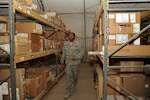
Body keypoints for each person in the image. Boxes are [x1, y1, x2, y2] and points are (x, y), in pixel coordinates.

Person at [61, 32, 84, 99]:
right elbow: (63, 53)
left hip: (76, 63)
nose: (70, 36)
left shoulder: (78, 44)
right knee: (68, 77)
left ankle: (75, 84)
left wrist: (76, 57)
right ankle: (68, 91)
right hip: (68, 64)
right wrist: (62, 62)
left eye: (71, 35)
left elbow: (82, 52)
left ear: (74, 36)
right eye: (69, 36)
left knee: (75, 76)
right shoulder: (65, 44)